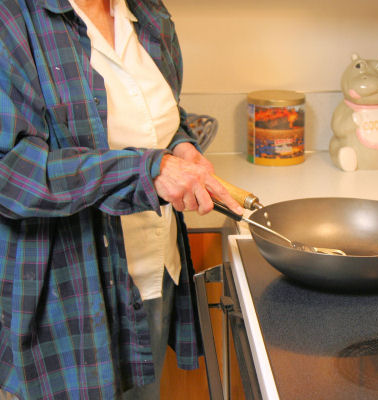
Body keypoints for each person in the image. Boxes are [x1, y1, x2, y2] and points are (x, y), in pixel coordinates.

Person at [0, 0, 244, 398]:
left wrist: (181, 148)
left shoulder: (147, 12)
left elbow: (157, 115)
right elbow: (10, 173)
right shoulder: (13, 18)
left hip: (153, 271)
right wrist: (148, 170)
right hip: (67, 295)